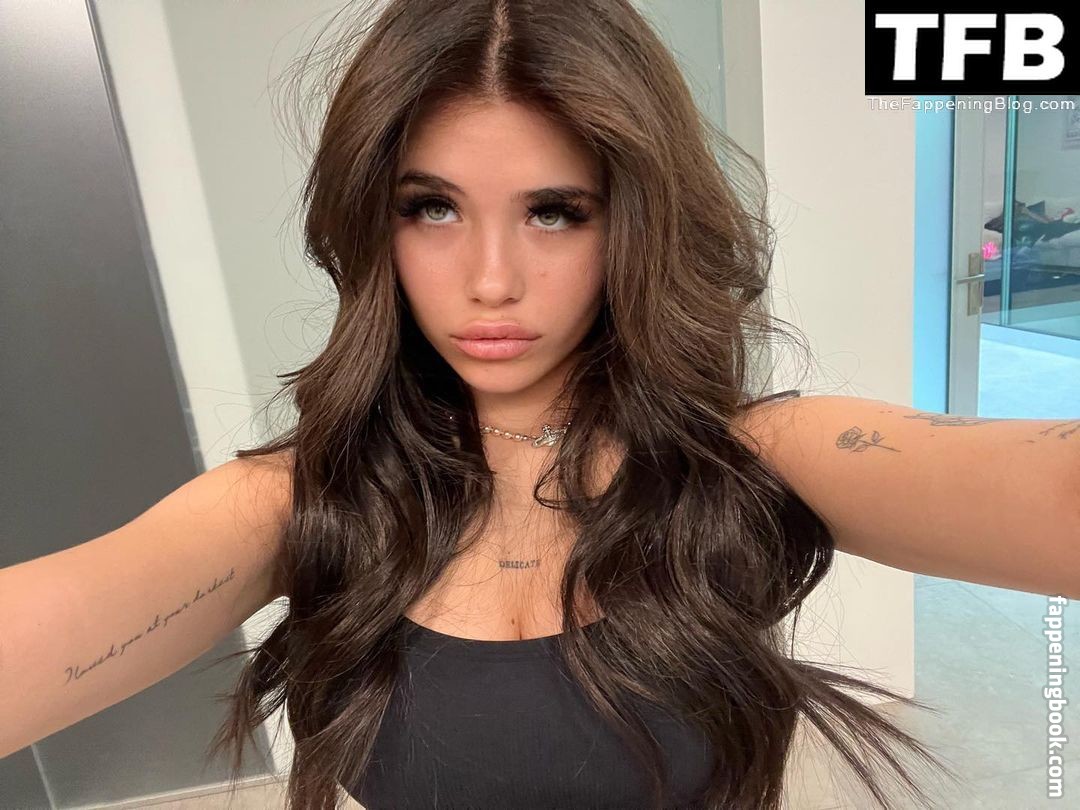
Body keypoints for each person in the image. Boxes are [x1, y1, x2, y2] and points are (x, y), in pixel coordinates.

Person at [2, 0, 1078, 808]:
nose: (491, 280)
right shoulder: (306, 502)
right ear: (374, 222)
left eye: (555, 211)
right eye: (432, 208)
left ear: (635, 223)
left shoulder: (760, 458)